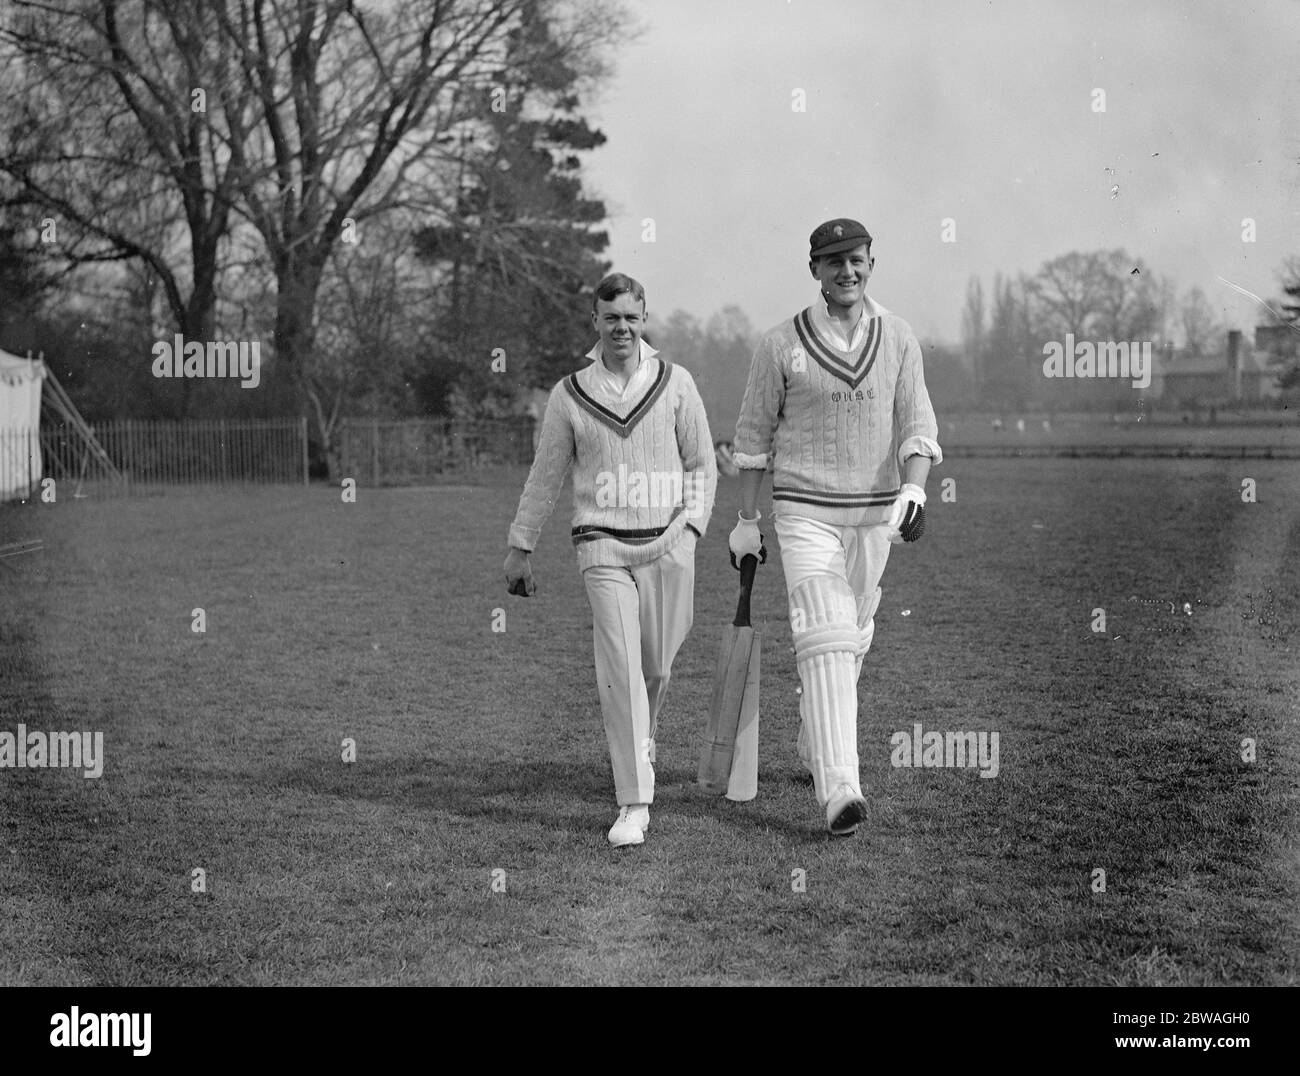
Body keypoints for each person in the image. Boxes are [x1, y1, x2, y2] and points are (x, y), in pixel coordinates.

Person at [728, 219, 942, 836]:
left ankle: (810, 736)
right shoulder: (780, 345)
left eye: (856, 260)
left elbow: (917, 427)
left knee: (855, 634)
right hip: (803, 513)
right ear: (815, 270)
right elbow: (752, 439)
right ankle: (840, 787)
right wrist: (747, 520)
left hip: (873, 515)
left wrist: (914, 489)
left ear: (872, 261)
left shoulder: (898, 337)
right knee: (825, 636)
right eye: (832, 262)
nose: (846, 271)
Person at [504, 272, 718, 847]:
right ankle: (633, 802)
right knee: (621, 669)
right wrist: (520, 544)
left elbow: (701, 463)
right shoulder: (569, 394)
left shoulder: (676, 383)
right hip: (601, 545)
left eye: (630, 316)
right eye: (610, 317)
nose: (621, 327)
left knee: (658, 669)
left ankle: (643, 739)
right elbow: (546, 474)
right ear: (594, 322)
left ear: (644, 318)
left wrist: (692, 527)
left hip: (670, 542)